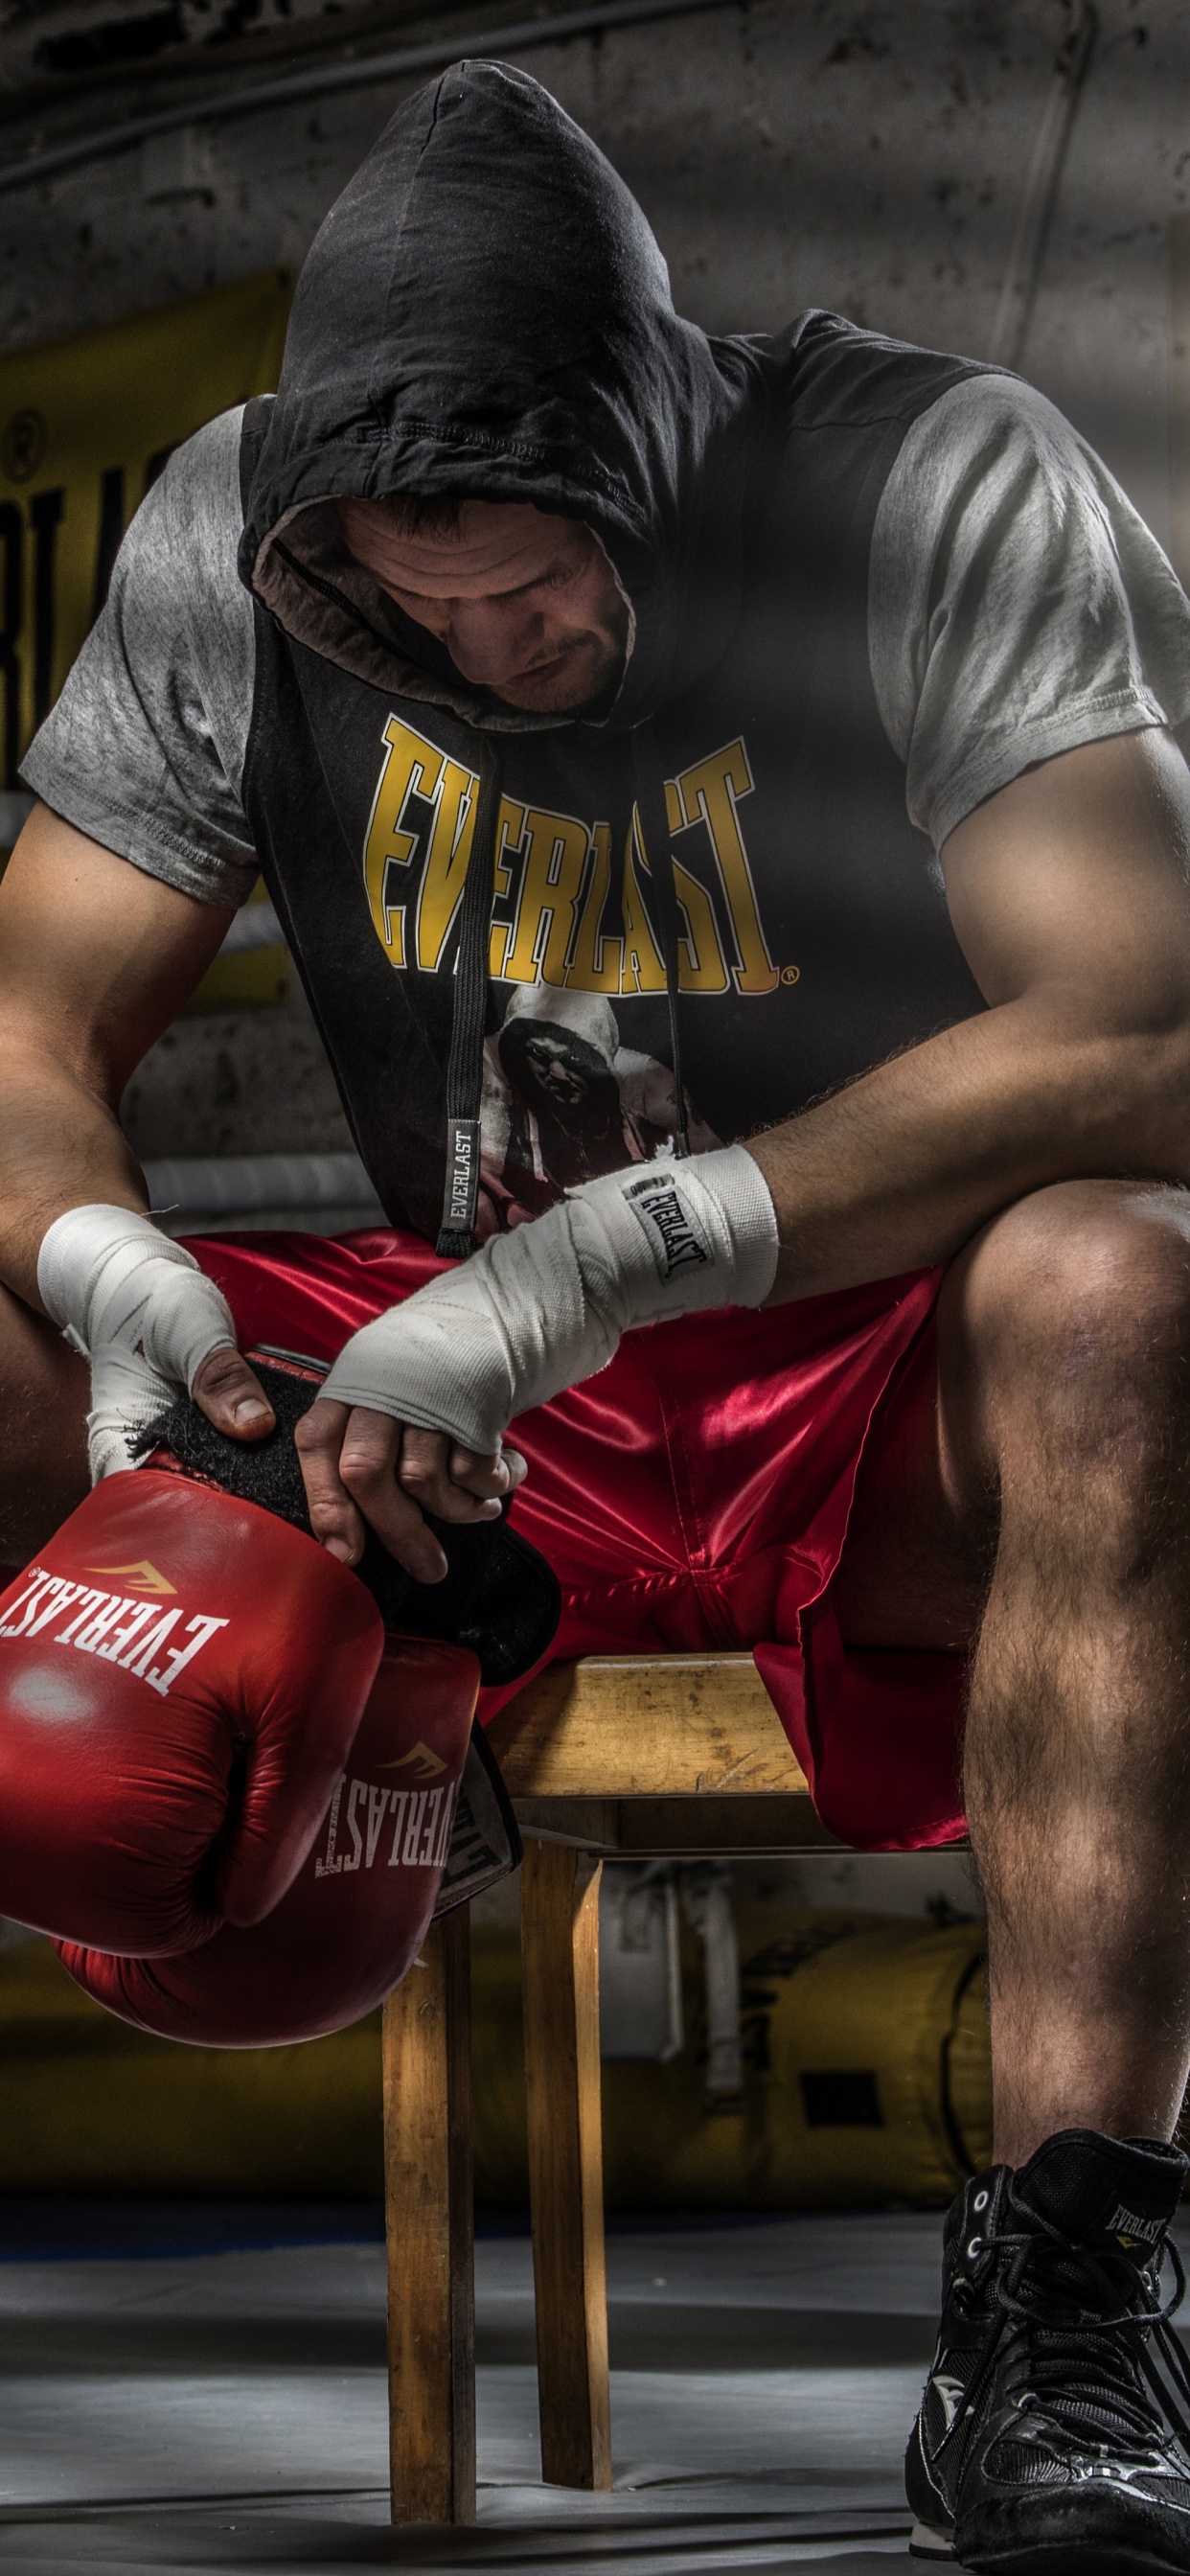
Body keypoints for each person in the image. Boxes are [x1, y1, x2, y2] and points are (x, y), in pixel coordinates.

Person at [8, 55, 1190, 2573]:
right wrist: (113, 1285)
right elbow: (21, 1030)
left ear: (647, 443)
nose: (490, 643)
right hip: (446, 1404)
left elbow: (1143, 1018)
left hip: (865, 1362)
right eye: (411, 608)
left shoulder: (921, 475)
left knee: (1121, 1290)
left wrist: (588, 1264)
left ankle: (1070, 2310)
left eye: (534, 571)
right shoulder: (235, 535)